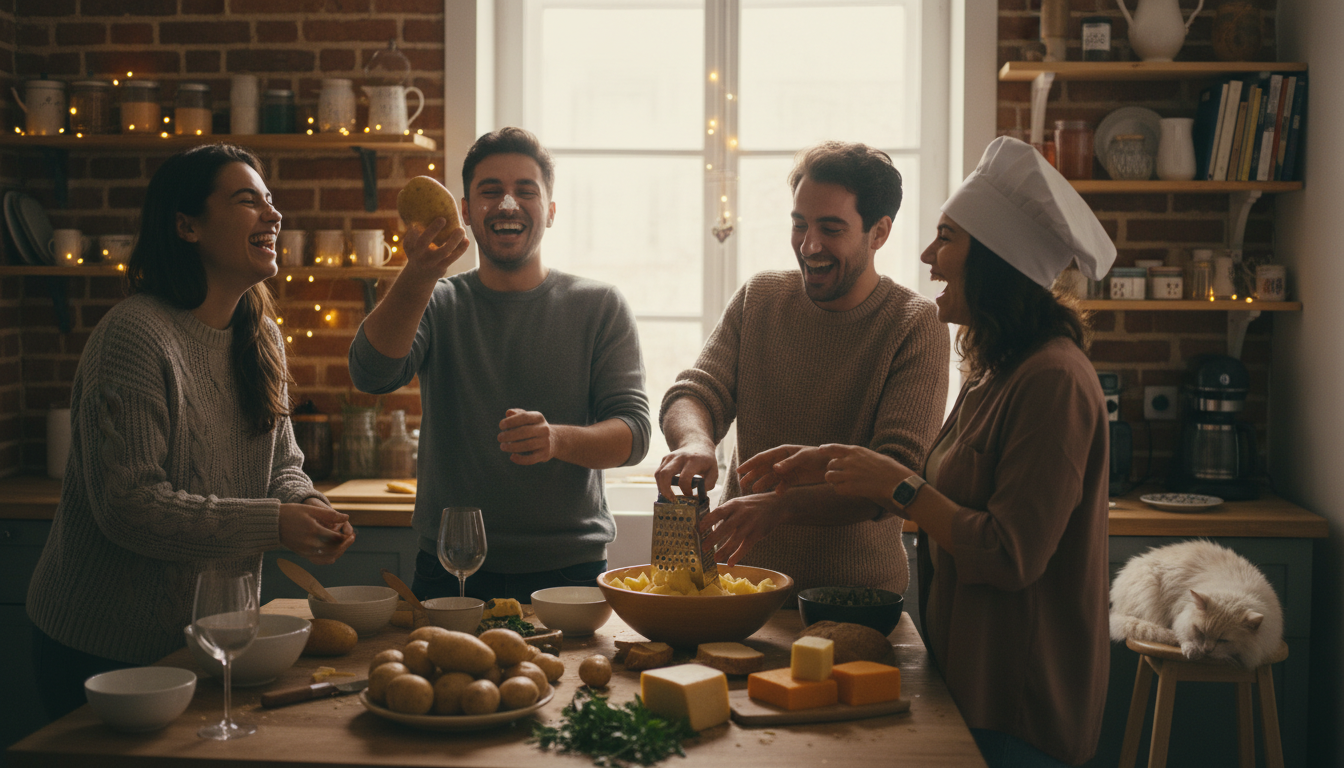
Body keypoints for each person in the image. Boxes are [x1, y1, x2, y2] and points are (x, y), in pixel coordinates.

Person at [735, 136, 1115, 767]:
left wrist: (897, 487)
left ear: (994, 260)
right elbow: (935, 488)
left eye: (947, 238)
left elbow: (1007, 553)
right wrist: (833, 459)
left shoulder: (1054, 379)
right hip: (970, 679)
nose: (928, 255)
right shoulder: (998, 370)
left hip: (1019, 700)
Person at [25, 143, 356, 721]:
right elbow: (130, 507)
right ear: (186, 225)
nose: (273, 216)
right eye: (248, 201)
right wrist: (275, 522)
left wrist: (306, 503)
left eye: (271, 203)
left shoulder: (260, 335)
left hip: (216, 639)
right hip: (106, 650)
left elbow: (281, 463)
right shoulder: (134, 336)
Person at [349, 127, 650, 603]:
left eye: (525, 191)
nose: (508, 203)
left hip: (568, 570)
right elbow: (372, 375)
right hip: (449, 568)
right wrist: (418, 274)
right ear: (465, 212)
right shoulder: (436, 300)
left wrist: (557, 439)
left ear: (550, 211)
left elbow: (634, 435)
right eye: (490, 191)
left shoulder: (599, 305)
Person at [655, 140, 949, 596]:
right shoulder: (761, 297)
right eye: (799, 224)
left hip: (855, 597)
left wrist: (782, 507)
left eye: (830, 228)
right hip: (742, 588)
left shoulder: (914, 323)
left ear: (880, 232)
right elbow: (695, 392)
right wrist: (696, 441)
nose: (809, 245)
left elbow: (894, 475)